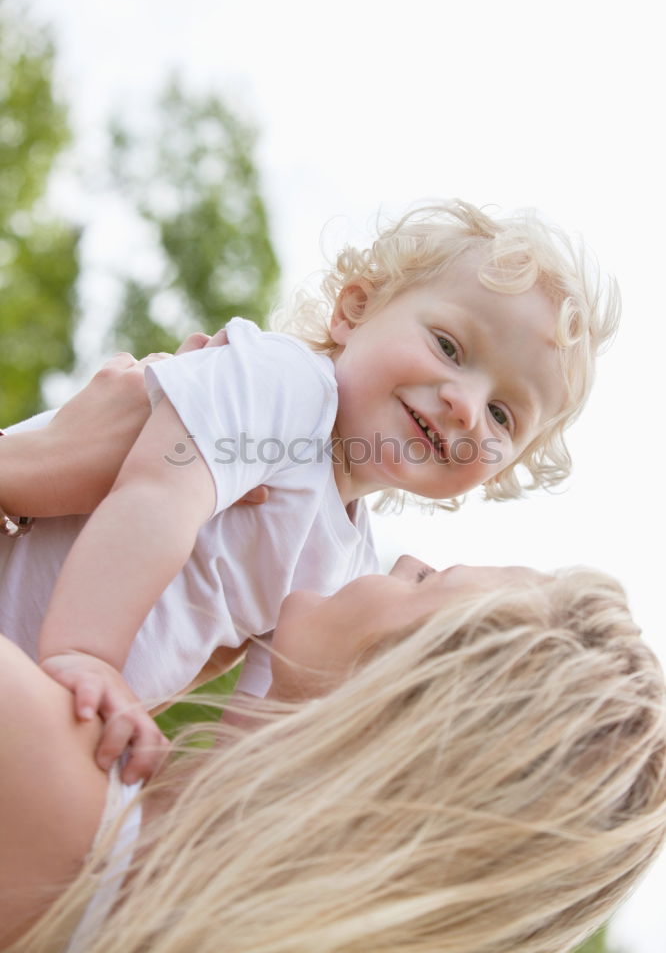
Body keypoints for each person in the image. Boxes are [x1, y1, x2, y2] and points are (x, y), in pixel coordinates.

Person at [1, 199, 620, 782]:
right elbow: (156, 495)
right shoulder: (288, 387)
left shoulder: (350, 573)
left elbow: (265, 719)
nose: (465, 405)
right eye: (450, 347)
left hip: (59, 709)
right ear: (354, 310)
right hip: (61, 653)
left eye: (504, 416)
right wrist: (88, 654)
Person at [2, 558, 665, 953]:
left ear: (392, 704)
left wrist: (36, 465)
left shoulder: (52, 776)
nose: (405, 562)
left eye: (431, 579)